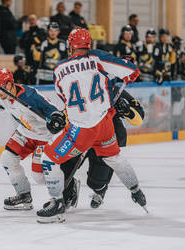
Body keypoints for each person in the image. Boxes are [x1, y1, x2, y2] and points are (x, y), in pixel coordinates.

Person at [36, 28, 143, 223]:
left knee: (49, 158)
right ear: (89, 45)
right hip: (104, 124)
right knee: (115, 159)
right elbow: (133, 72)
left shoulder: (59, 69)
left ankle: (57, 203)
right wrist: (127, 71)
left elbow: (64, 96)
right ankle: (136, 191)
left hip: (81, 129)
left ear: (70, 47)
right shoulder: (99, 59)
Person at [0, 68, 80, 211]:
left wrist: (56, 118)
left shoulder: (30, 96)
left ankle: (70, 185)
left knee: (39, 177)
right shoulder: (0, 97)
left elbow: (53, 111)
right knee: (7, 159)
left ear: (9, 84)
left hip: (45, 136)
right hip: (25, 133)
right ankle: (24, 195)